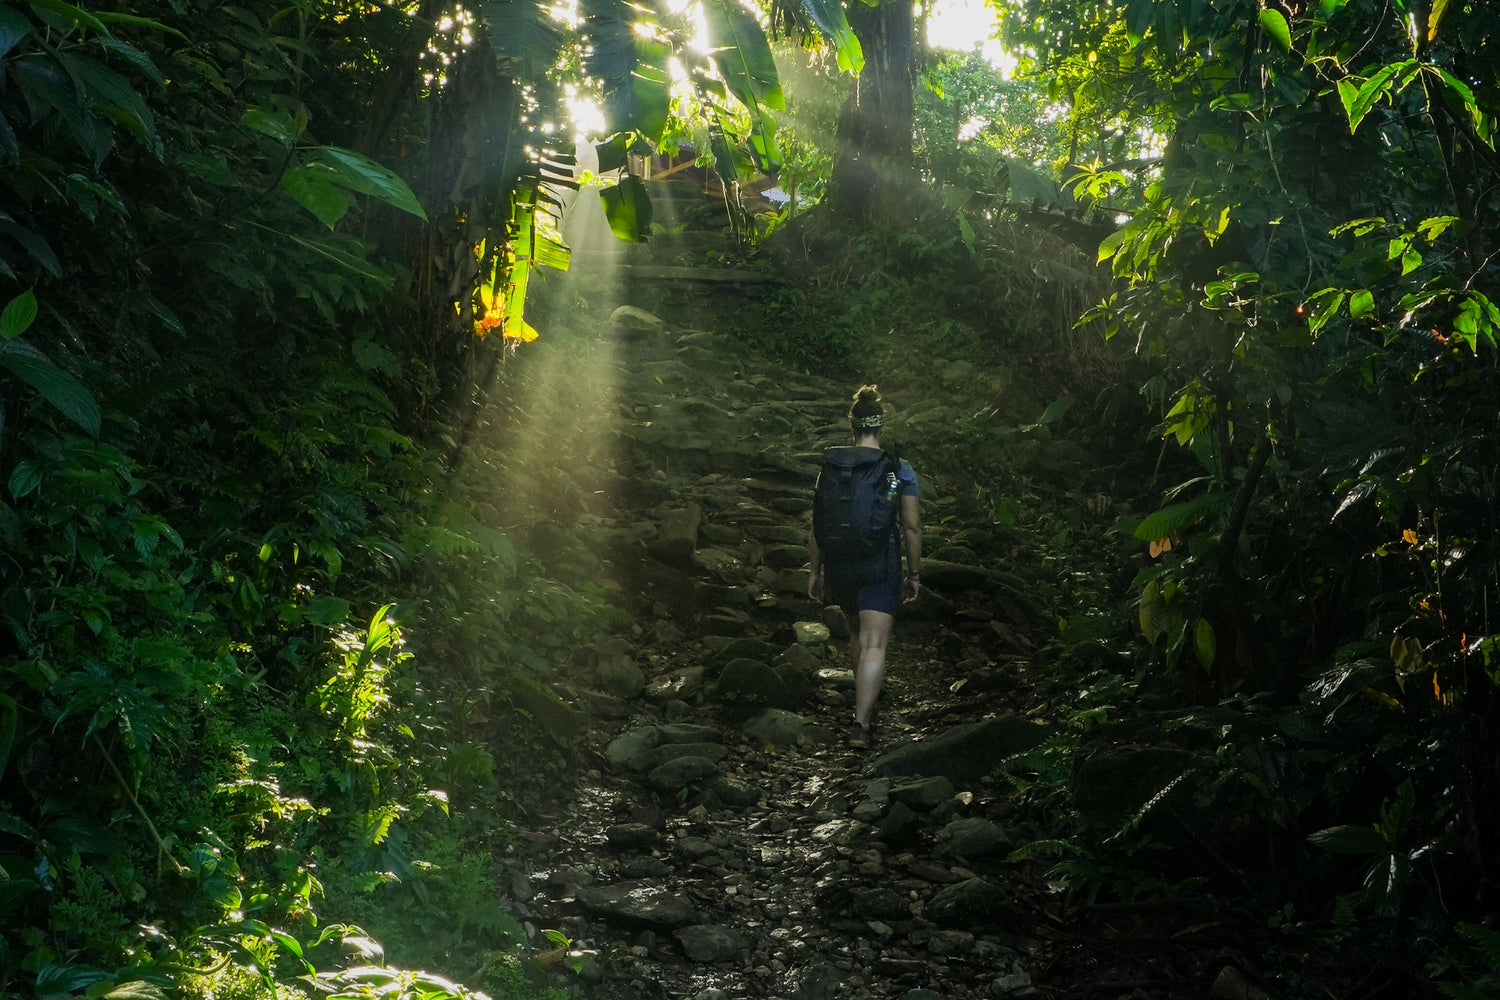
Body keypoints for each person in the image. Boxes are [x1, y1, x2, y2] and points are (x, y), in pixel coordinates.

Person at [807, 385, 922, 746]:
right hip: (879, 562)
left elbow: (818, 523)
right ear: (881, 426)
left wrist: (815, 570)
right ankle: (861, 722)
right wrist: (914, 572)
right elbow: (911, 526)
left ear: (852, 426)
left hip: (840, 564)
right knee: (874, 642)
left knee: (857, 636)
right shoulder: (897, 468)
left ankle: (865, 699)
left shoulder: (831, 466)